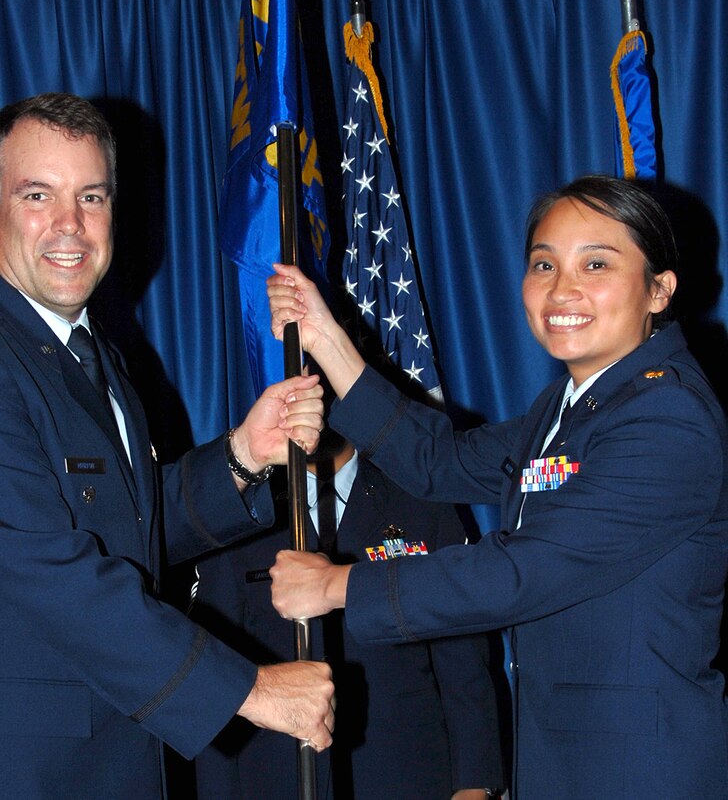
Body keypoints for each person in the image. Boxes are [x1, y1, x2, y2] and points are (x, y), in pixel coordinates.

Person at [0, 92, 334, 799]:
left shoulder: (92, 352)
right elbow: (49, 572)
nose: (69, 226)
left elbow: (123, 531)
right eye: (37, 195)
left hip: (113, 754)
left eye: (91, 196)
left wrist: (239, 456)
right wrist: (251, 689)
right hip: (18, 772)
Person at [266, 175, 728, 799]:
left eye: (596, 263)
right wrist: (325, 337)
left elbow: (523, 570)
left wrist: (335, 584)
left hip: (636, 767)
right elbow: (436, 460)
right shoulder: (572, 405)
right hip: (561, 758)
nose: (563, 289)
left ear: (658, 289)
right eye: (544, 264)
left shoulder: (666, 416)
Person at [191, 425, 505, 799]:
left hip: (406, 775)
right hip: (274, 777)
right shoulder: (238, 515)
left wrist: (473, 784)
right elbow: (212, 667)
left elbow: (464, 663)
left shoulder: (419, 500)